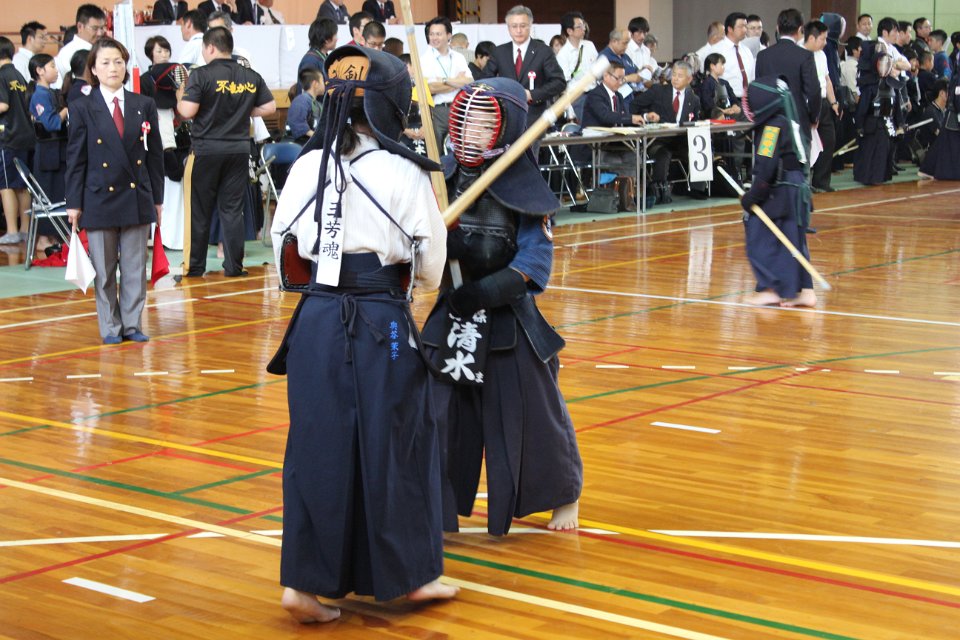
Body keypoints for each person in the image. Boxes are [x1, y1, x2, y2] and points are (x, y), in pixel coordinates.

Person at [267, 45, 456, 622]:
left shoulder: (304, 167)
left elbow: (283, 253)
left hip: (316, 323)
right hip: (384, 325)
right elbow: (430, 269)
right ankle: (413, 575)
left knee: (316, 444)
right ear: (389, 106)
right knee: (397, 439)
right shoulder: (404, 171)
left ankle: (304, 585)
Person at [421, 77, 582, 536]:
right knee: (437, 408)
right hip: (454, 307)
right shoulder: (442, 176)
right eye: (465, 121)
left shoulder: (525, 187)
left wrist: (486, 292)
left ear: (505, 127)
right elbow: (418, 246)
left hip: (506, 312)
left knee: (530, 411)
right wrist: (440, 245)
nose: (469, 131)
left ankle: (562, 493)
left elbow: (534, 263)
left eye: (482, 123)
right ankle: (435, 500)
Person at [65, 38, 164, 343]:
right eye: (105, 63)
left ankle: (132, 325)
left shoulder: (143, 104)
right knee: (105, 270)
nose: (113, 68)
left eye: (118, 62)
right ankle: (110, 327)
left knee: (134, 267)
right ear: (94, 69)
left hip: (136, 195)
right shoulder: (82, 107)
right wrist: (73, 203)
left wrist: (158, 199)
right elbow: (76, 158)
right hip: (98, 196)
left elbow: (155, 156)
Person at [177, 26, 276, 277]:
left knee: (198, 210)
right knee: (232, 211)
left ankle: (194, 267)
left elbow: (187, 112)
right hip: (238, 151)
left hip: (205, 151)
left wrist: (180, 96)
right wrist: (243, 111)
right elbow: (270, 107)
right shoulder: (250, 75)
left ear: (210, 47)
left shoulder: (201, 74)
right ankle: (234, 266)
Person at [739, 76, 815, 308]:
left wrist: (753, 197)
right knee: (794, 242)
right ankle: (807, 291)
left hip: (782, 189)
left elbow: (767, 166)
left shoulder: (771, 128)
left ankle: (770, 289)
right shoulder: (789, 120)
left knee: (759, 235)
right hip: (798, 188)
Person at [480, 5, 565, 130]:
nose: (518, 30)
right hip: (505, 120)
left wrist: (532, 94)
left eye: (523, 26)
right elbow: (484, 82)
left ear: (530, 26)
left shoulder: (543, 51)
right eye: (514, 26)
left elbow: (559, 82)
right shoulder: (499, 52)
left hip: (535, 119)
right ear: (508, 28)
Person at [633, 61, 703, 202]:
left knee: (698, 149)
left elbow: (695, 121)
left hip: (681, 140)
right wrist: (647, 116)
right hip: (658, 139)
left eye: (680, 76)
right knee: (663, 154)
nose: (675, 79)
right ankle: (659, 190)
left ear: (689, 79)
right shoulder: (658, 90)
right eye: (674, 75)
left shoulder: (694, 99)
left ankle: (698, 189)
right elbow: (634, 105)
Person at [756, 9, 820, 149]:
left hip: (769, 124)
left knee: (767, 160)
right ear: (800, 29)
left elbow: (759, 91)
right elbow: (813, 91)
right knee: (798, 161)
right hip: (797, 123)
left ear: (778, 28)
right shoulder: (805, 56)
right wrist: (813, 117)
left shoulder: (762, 56)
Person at [0, 36, 35, 245]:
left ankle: (12, 230)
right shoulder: (18, 75)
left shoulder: (1, 75)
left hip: (8, 137)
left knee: (5, 185)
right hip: (26, 136)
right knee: (23, 184)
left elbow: (3, 105)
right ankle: (25, 229)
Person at [420, 16, 473, 152]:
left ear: (449, 35)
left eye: (438, 34)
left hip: (459, 108)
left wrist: (444, 80)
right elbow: (430, 88)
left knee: (462, 150)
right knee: (436, 153)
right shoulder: (425, 59)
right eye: (431, 34)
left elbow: (469, 82)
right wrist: (456, 81)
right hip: (437, 111)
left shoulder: (458, 57)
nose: (434, 38)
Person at [853, 38, 900, 185]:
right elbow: (862, 108)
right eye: (881, 63)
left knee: (883, 151)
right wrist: (859, 125)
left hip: (887, 123)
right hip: (871, 123)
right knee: (869, 151)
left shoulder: (893, 85)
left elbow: (897, 107)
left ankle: (880, 176)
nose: (884, 67)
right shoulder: (870, 86)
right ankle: (868, 176)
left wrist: (900, 123)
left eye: (887, 64)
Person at [28, 53, 68, 214]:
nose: (56, 70)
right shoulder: (40, 95)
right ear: (40, 70)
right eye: (52, 66)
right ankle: (47, 231)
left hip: (56, 152)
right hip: (48, 153)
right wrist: (67, 109)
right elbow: (51, 124)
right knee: (51, 197)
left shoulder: (50, 92)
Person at [805, 20, 840, 192]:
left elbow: (827, 80)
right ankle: (805, 182)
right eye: (823, 39)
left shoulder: (822, 55)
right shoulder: (800, 53)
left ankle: (821, 181)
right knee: (807, 143)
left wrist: (834, 102)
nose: (825, 43)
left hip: (824, 102)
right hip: (807, 103)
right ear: (812, 38)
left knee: (829, 140)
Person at [556, 11, 598, 121]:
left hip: (595, 93)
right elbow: (564, 84)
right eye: (579, 26)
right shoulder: (563, 54)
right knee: (585, 126)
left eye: (583, 25)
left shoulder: (589, 45)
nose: (583, 28)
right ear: (569, 31)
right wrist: (569, 109)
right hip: (578, 97)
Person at [919, 72, 960, 179]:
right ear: (942, 93)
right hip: (931, 149)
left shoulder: (944, 110)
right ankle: (928, 169)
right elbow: (939, 134)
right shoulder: (930, 111)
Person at [54, 4, 106, 88]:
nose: (100, 33)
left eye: (102, 28)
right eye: (95, 28)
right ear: (80, 26)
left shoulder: (100, 49)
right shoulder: (68, 53)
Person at [712, 12, 755, 109]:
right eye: (741, 26)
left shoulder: (746, 51)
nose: (745, 30)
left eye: (745, 26)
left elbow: (752, 77)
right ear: (730, 29)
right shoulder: (717, 50)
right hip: (727, 101)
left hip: (748, 102)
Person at [699, 52, 740, 119]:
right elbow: (707, 104)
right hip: (713, 116)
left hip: (728, 114)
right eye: (721, 65)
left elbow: (733, 98)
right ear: (712, 66)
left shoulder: (725, 83)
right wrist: (722, 111)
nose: (723, 67)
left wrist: (734, 106)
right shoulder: (706, 83)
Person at [287, 68, 322, 143]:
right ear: (315, 84)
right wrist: (320, 138)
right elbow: (297, 123)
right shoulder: (301, 101)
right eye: (322, 81)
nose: (325, 83)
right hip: (302, 145)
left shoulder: (316, 102)